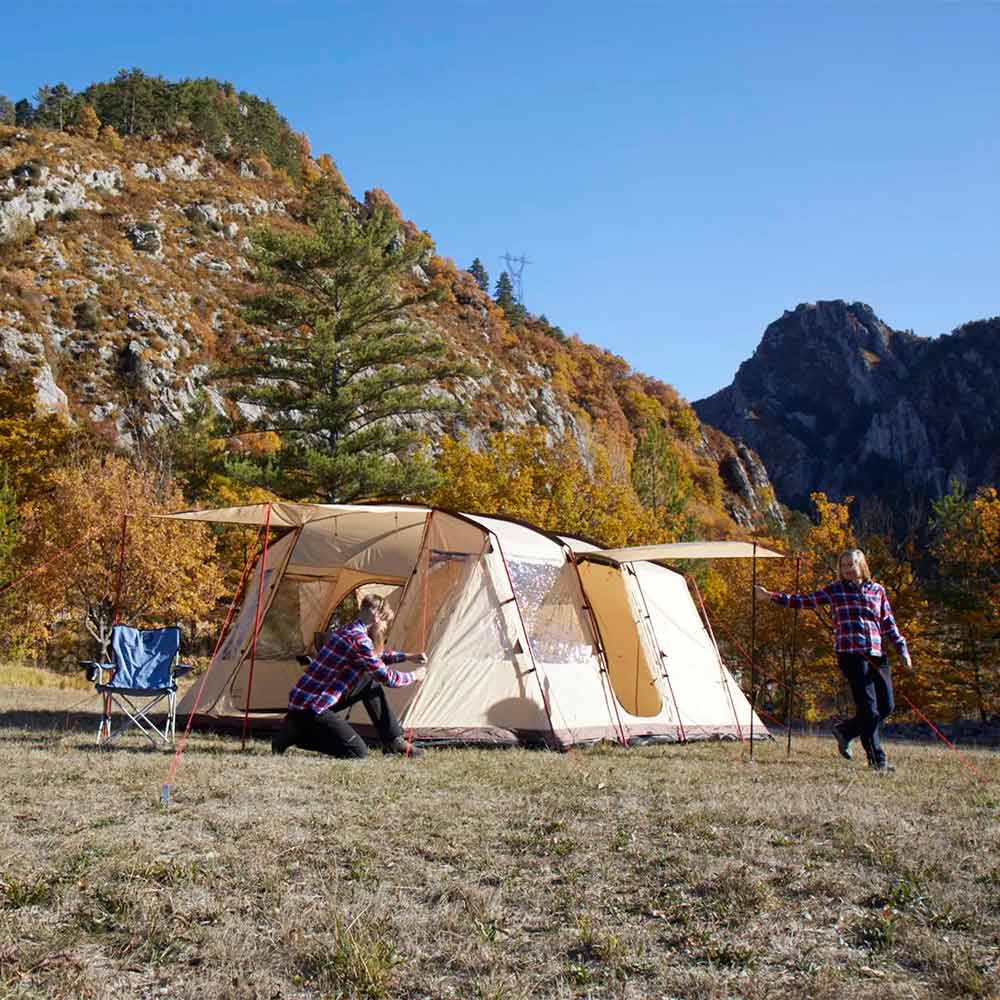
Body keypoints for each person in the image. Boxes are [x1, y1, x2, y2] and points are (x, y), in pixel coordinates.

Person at [755, 548, 912, 773]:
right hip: (851, 655)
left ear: (862, 566)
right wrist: (770, 596)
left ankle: (846, 731)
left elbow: (888, 622)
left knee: (886, 706)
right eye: (843, 565)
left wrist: (902, 650)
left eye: (851, 564)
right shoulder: (835, 590)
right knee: (869, 710)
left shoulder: (878, 591)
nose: (847, 569)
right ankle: (878, 761)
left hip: (877, 655)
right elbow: (804, 601)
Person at [271, 594, 428, 759]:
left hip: (309, 700)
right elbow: (386, 677)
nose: (384, 627)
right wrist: (415, 676)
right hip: (312, 707)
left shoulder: (350, 630)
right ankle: (293, 736)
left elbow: (375, 658)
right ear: (376, 617)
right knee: (358, 753)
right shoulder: (359, 639)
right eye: (385, 622)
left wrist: (408, 656)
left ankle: (393, 741)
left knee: (368, 681)